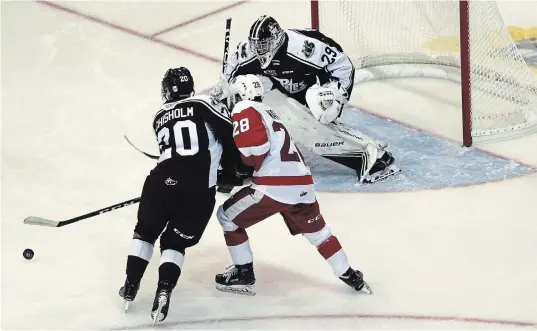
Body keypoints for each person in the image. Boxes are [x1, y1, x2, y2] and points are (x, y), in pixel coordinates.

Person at [213, 74, 372, 296]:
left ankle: (244, 274)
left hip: (273, 185)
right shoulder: (269, 112)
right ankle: (350, 276)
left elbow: (255, 153)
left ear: (241, 94)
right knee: (321, 235)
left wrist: (237, 168)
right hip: (303, 184)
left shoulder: (244, 108)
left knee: (226, 216)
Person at [119, 67, 246, 324]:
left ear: (167, 90)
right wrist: (236, 170)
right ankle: (164, 289)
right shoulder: (205, 102)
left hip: (160, 183)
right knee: (174, 244)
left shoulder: (159, 116)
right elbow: (229, 135)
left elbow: (180, 151)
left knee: (145, 233)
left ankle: (130, 285)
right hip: (198, 191)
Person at [213, 15, 400, 184]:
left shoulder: (304, 49)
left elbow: (342, 66)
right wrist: (224, 85)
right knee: (244, 86)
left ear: (277, 39)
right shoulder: (249, 50)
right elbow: (232, 68)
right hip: (281, 86)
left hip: (313, 88)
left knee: (316, 121)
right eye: (256, 45)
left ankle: (373, 157)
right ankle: (244, 157)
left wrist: (336, 96)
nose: (259, 50)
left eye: (263, 45)